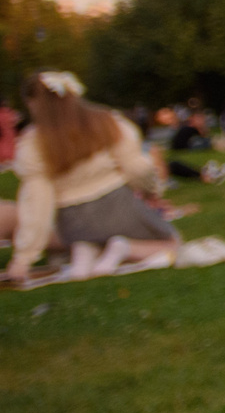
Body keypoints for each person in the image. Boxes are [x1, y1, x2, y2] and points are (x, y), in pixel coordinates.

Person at [5, 73, 183, 285]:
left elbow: (37, 202)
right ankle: (124, 248)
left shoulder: (33, 143)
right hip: (117, 204)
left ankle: (85, 249)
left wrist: (23, 258)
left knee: (86, 238)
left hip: (72, 219)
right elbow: (138, 168)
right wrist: (151, 191)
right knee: (173, 244)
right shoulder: (107, 121)